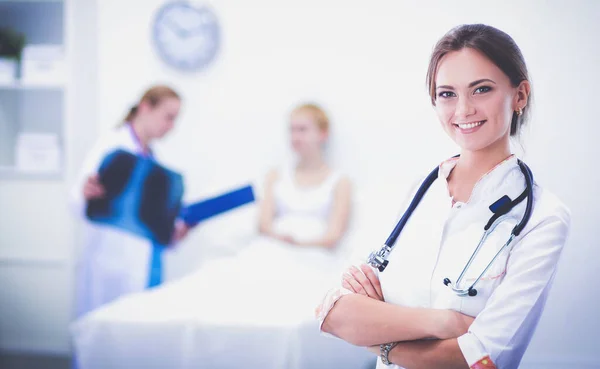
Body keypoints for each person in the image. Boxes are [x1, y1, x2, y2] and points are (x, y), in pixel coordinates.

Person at [316, 24, 571, 369]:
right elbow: (334, 313)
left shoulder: (543, 217)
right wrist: (444, 323)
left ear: (520, 95)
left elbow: (479, 357)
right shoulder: (414, 192)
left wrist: (379, 337)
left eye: (481, 89)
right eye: (447, 94)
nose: (463, 110)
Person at [70, 103, 371, 369]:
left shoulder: (339, 181)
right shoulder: (275, 176)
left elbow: (333, 235)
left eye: (302, 129)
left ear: (323, 133)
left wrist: (299, 242)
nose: (295, 136)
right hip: (270, 250)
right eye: (291, 129)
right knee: (224, 281)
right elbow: (264, 225)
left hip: (313, 259)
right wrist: (282, 238)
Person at [70, 85, 190, 318]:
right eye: (169, 117)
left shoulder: (156, 160)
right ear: (145, 107)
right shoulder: (112, 146)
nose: (171, 126)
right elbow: (77, 201)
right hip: (112, 264)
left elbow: (153, 223)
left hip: (147, 265)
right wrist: (86, 192)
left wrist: (175, 232)